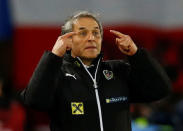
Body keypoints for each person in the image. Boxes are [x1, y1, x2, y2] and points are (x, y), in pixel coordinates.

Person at [21, 11, 171, 131]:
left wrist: (137, 55)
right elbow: (34, 101)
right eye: (83, 33)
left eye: (96, 33)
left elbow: (160, 90)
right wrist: (53, 57)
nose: (91, 38)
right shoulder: (56, 74)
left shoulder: (118, 71)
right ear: (67, 40)